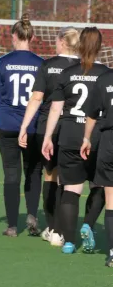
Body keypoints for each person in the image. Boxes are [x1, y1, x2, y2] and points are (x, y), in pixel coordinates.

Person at [42, 27, 109, 254]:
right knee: (101, 184)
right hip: (97, 137)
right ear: (100, 47)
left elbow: (55, 109)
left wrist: (48, 136)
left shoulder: (67, 73)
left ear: (79, 45)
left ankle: (68, 242)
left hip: (70, 134)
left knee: (71, 188)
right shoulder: (107, 75)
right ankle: (88, 224)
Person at [0, 14, 44, 237]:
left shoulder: (3, 62)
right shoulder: (41, 64)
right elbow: (45, 99)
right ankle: (32, 216)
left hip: (6, 125)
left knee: (11, 174)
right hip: (33, 126)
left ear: (13, 36)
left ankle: (12, 226)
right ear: (32, 37)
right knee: (34, 172)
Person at [19, 27, 80, 245]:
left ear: (63, 42)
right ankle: (65, 230)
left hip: (48, 127)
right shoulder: (85, 67)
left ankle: (53, 229)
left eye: (56, 40)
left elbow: (36, 98)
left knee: (50, 175)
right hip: (76, 128)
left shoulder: (49, 65)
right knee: (70, 181)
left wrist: (24, 126)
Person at [81, 65, 113, 266]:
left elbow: (92, 115)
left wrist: (86, 138)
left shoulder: (104, 79)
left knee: (111, 200)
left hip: (109, 141)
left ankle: (112, 253)